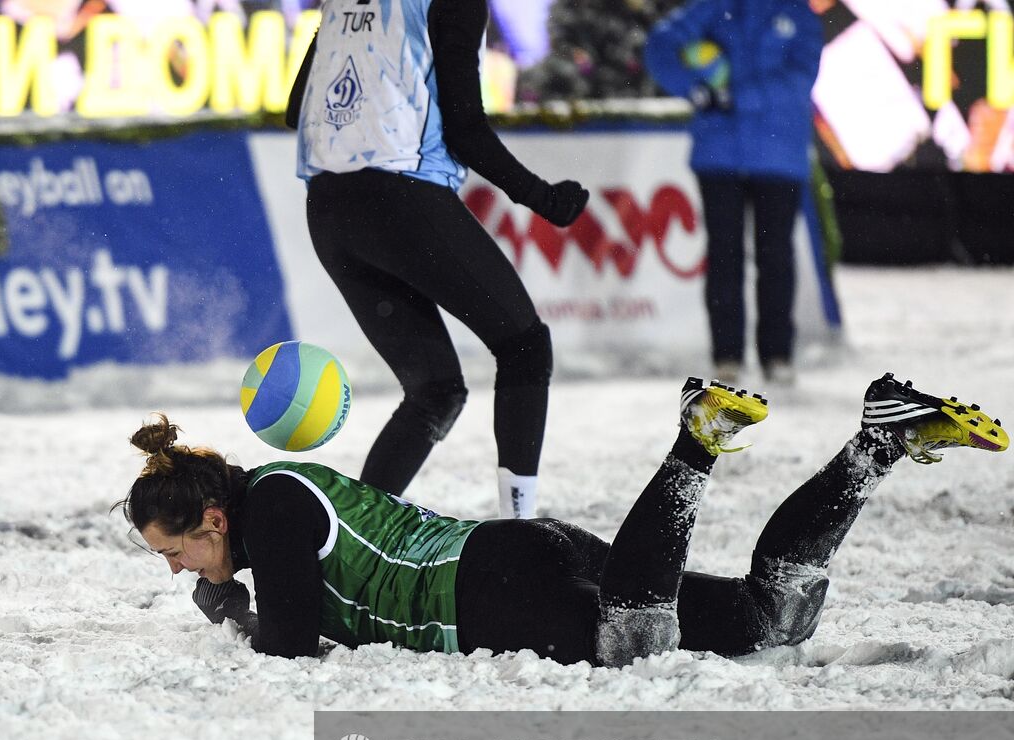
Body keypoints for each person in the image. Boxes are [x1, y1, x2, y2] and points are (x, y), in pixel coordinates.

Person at [123, 375, 1006, 665]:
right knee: (765, 620)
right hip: (517, 555)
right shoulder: (269, 502)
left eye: (176, 549)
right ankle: (878, 443)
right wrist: (228, 584)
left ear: (210, 514)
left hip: (485, 591)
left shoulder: (271, 503)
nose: (175, 569)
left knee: (637, 638)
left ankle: (697, 440)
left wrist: (226, 607)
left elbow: (288, 642)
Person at [285, 0, 590, 519]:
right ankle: (520, 529)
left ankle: (356, 536)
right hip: (402, 197)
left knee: (434, 390)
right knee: (524, 347)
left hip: (330, 209)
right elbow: (465, 128)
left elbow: (297, 108)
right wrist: (543, 198)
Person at [644, 0, 823, 387]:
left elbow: (800, 77)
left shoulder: (798, 12)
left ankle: (777, 356)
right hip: (720, 155)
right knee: (724, 256)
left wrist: (732, 97)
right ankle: (727, 356)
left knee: (774, 256)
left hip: (778, 156)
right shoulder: (714, 5)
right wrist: (694, 90)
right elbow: (660, 45)